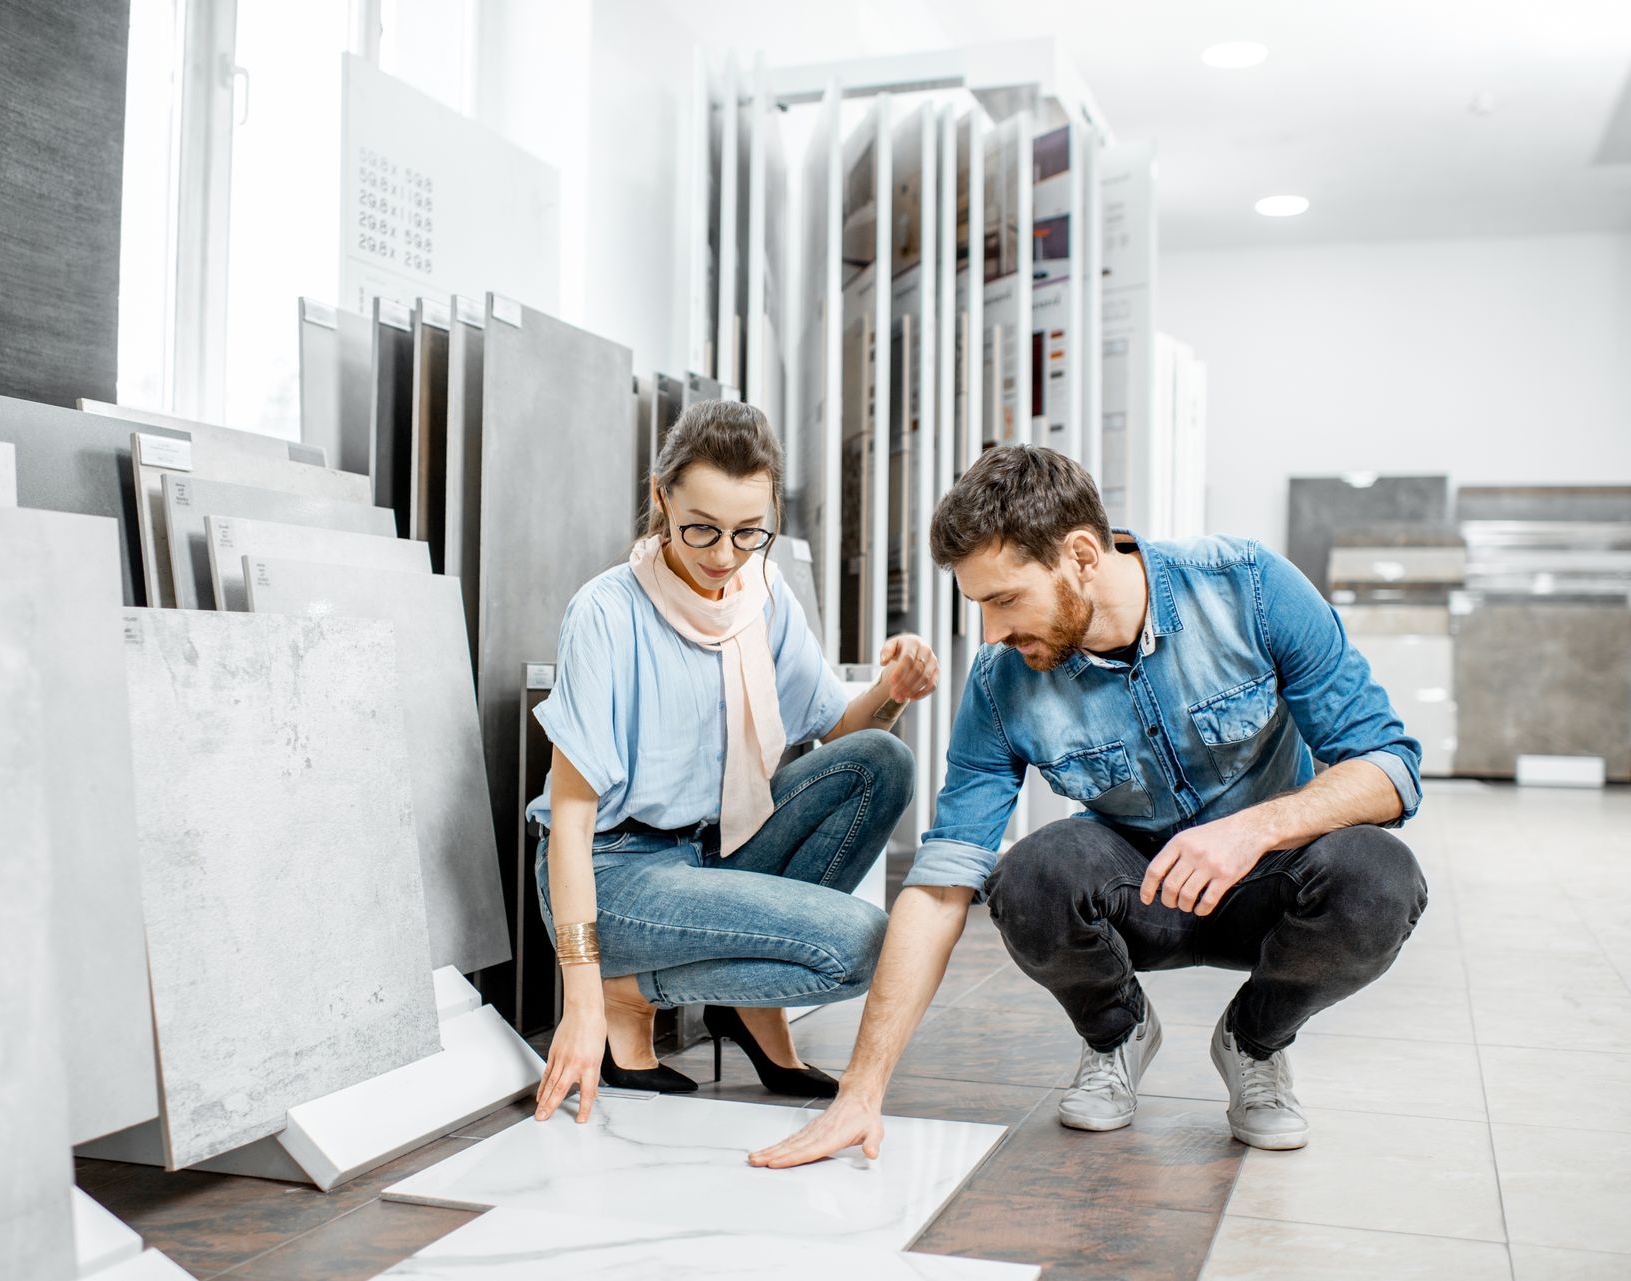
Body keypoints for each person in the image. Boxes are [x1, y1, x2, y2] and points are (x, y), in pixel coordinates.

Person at [752, 445, 1428, 1162]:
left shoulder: (1250, 589)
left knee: (1380, 879)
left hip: (1272, 880)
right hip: (1140, 891)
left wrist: (1253, 829)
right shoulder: (1000, 680)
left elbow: (1390, 766)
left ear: (1080, 555)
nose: (991, 632)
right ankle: (1118, 1033)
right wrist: (860, 1090)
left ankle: (1255, 1042)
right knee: (1029, 877)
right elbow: (941, 880)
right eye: (978, 604)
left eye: (1005, 599)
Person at [529, 399, 942, 1124]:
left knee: (881, 759)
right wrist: (583, 995)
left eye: (749, 532)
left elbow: (836, 730)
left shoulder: (762, 593)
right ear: (660, 498)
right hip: (614, 871)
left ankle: (742, 1004)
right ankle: (634, 992)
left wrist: (891, 690)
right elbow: (570, 820)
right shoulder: (605, 612)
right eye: (700, 529)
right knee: (864, 944)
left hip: (713, 848)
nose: (724, 555)